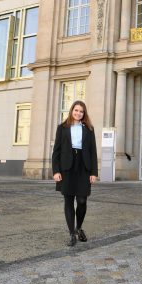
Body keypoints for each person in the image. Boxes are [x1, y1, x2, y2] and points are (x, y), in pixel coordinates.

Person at [52, 100, 98, 247]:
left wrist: (93, 172)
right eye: (76, 110)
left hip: (83, 166)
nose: (78, 113)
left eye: (81, 111)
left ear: (84, 114)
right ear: (72, 111)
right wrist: (56, 170)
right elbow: (56, 151)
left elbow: (93, 152)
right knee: (68, 200)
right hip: (67, 167)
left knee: (82, 200)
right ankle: (72, 233)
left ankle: (79, 228)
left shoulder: (89, 129)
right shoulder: (62, 128)